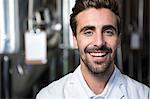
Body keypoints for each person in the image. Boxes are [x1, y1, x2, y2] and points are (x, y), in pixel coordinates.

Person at [36, 0, 150, 98]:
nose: (99, 42)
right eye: (88, 32)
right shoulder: (50, 96)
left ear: (118, 39)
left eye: (108, 32)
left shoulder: (143, 95)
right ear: (75, 40)